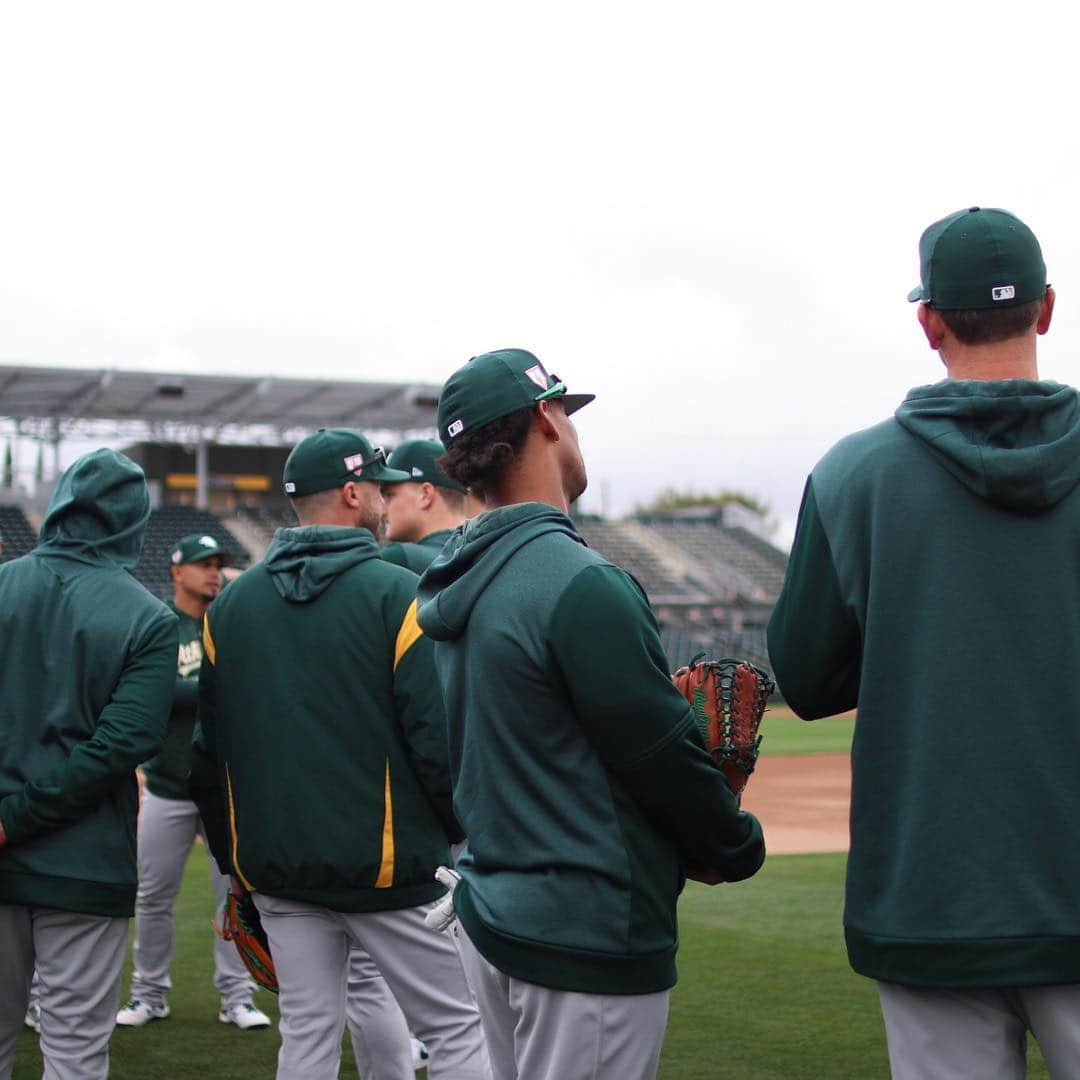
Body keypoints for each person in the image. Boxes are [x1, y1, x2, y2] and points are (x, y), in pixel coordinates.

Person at [767, 207, 1080, 1078]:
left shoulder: (852, 474)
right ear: (1048, 309)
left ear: (929, 321)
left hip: (929, 894)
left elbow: (807, 675)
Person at [416, 348, 766, 1080]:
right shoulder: (578, 582)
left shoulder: (456, 575)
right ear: (546, 416)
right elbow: (661, 758)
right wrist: (734, 844)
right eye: (567, 415)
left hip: (493, 907)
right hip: (584, 930)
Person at [189, 428, 491, 1080]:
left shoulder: (230, 607)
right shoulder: (395, 592)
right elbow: (434, 741)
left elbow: (207, 757)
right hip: (390, 871)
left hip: (277, 874)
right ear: (354, 493)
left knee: (306, 1035)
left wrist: (235, 863)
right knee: (459, 1025)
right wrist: (452, 832)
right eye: (381, 488)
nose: (387, 501)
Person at [0, 449, 177, 1080]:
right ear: (134, 524)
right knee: (74, 1057)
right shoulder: (149, 617)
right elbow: (120, 747)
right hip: (84, 865)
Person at [116, 534, 270, 1031]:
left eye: (219, 565)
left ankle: (237, 998)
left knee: (235, 895)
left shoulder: (231, 621)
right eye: (203, 564)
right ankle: (149, 994)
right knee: (152, 896)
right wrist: (209, 685)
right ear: (177, 571)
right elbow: (156, 691)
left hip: (226, 788)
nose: (214, 573)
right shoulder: (160, 621)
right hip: (167, 784)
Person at [380, 439, 468, 572]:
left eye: (390, 495)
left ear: (425, 494)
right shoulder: (492, 551)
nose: (382, 510)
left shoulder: (400, 559)